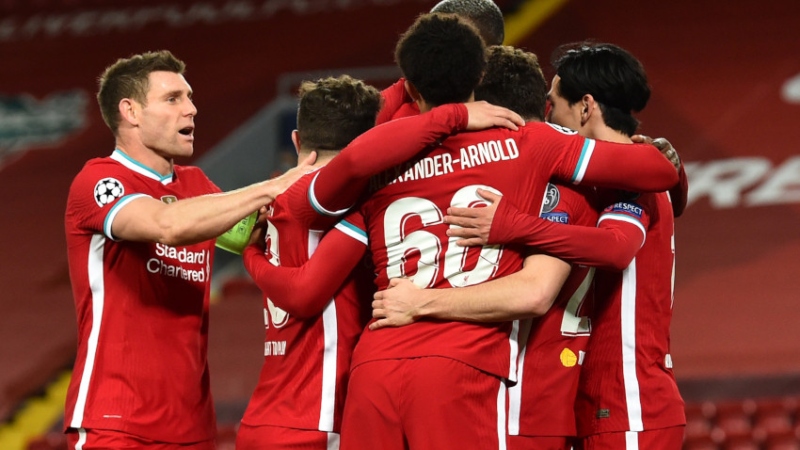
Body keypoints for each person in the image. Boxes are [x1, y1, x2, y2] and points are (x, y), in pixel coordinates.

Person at [303, 14, 679, 449]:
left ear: (409, 89)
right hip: (461, 364)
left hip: (374, 363)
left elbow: (315, 200)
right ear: (478, 78)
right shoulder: (533, 147)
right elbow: (656, 171)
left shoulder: (377, 164)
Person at [234, 75, 521, 449]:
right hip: (318, 421)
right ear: (369, 144)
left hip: (264, 416)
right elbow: (305, 293)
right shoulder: (354, 205)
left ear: (296, 141)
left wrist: (251, 255)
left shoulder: (276, 198)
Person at [440, 42, 688, 450]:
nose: (548, 115)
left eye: (553, 104)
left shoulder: (632, 178)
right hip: (608, 402)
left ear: (586, 106)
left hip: (630, 402)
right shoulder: (632, 170)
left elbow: (615, 248)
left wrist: (511, 224)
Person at [63, 50, 313, 449]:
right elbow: (168, 226)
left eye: (190, 97)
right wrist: (270, 186)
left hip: (192, 428)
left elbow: (254, 234)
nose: (192, 109)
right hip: (117, 422)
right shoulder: (100, 181)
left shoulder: (197, 185)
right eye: (173, 98)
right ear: (131, 111)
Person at [376, 0, 506, 124]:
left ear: (491, 53)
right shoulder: (386, 114)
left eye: (457, 48)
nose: (441, 56)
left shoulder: (517, 104)